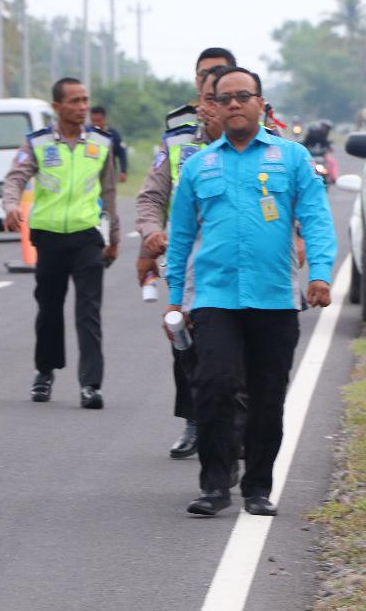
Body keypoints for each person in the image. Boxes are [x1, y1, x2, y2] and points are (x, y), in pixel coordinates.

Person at [165, 66, 337, 517]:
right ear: (215, 109)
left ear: (262, 104)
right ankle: (215, 486)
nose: (235, 104)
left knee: (267, 397)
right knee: (213, 386)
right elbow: (180, 236)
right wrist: (174, 300)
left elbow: (316, 218)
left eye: (244, 96)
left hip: (274, 298)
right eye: (226, 98)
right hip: (215, 299)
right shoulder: (199, 165)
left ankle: (258, 488)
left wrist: (319, 273)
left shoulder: (292, 158)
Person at [136, 47, 236, 459]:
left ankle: (237, 428)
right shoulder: (177, 136)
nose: (210, 87)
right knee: (184, 344)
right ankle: (195, 422)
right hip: (185, 260)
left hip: (240, 259)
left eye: (219, 76)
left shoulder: (259, 131)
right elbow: (151, 196)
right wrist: (151, 233)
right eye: (204, 78)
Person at [3, 77, 120, 409]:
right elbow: (16, 178)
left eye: (85, 100)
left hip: (87, 236)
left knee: (88, 312)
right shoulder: (38, 143)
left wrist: (112, 238)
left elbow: (109, 193)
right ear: (57, 107)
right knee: (49, 310)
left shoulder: (101, 143)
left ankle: (91, 385)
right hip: (50, 237)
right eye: (74, 101)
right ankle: (45, 371)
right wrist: (11, 204)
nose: (82, 107)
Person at [89, 106, 128, 183]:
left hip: (109, 174)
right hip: (91, 175)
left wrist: (123, 171)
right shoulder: (87, 134)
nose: (95, 124)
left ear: (104, 119)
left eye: (98, 120)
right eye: (93, 121)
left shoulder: (113, 135)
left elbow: (122, 154)